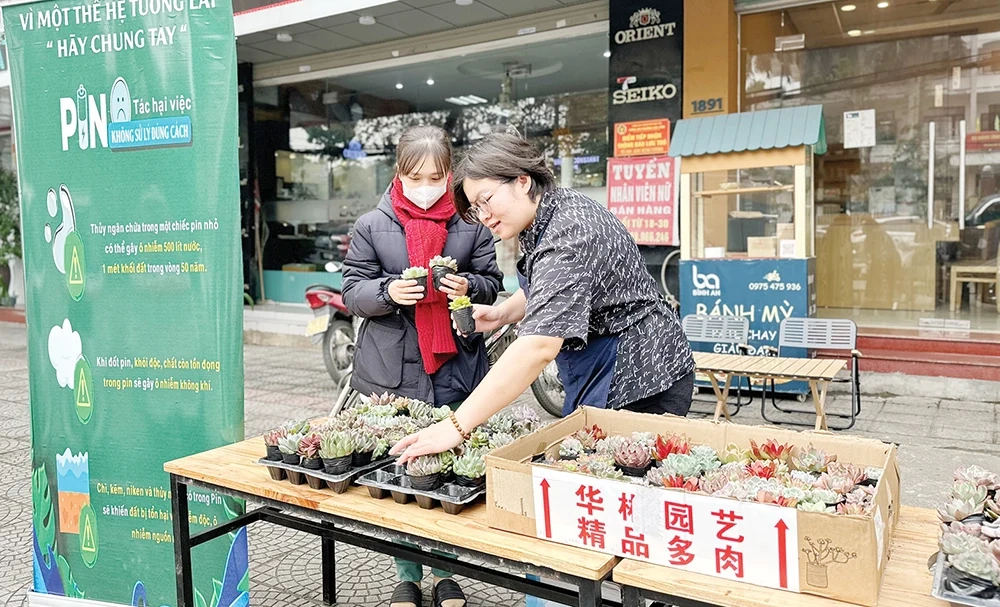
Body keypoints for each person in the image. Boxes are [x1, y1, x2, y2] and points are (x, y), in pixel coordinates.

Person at [392, 129, 695, 464]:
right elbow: (556, 287)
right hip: (605, 362)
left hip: (640, 374)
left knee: (613, 483)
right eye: (476, 208)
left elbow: (538, 347)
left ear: (522, 181)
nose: (484, 217)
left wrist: (456, 425)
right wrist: (504, 313)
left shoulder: (570, 232)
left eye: (485, 200)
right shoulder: (549, 213)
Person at [341, 125, 502, 607]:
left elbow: (493, 283)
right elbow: (353, 292)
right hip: (393, 369)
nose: (427, 185)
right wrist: (387, 292)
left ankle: (446, 572)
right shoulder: (372, 224)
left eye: (435, 176)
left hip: (454, 363)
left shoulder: (472, 224)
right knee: (399, 473)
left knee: (448, 471)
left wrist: (467, 287)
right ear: (400, 173)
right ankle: (406, 574)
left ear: (449, 174)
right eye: (417, 176)